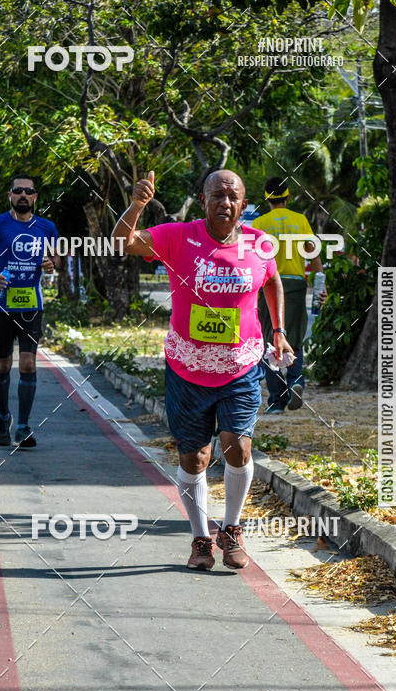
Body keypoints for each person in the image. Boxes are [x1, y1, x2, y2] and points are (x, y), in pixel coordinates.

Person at [112, 169, 294, 571]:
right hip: (187, 368)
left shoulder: (259, 243)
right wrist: (138, 204)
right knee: (194, 458)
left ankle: (231, 529)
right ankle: (200, 538)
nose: (225, 203)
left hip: (240, 366)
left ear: (243, 204)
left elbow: (272, 280)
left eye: (233, 197)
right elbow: (122, 242)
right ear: (203, 201)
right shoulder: (177, 236)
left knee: (237, 447)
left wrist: (279, 331)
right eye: (217, 195)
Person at [0, 174, 57, 449]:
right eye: (18, 190)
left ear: (35, 197)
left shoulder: (47, 227)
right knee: (3, 363)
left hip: (32, 305)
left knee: (28, 363)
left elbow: (54, 258)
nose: (23, 195)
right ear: (10, 195)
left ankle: (23, 426)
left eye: (28, 191)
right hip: (1, 306)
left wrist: (51, 264)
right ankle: (3, 416)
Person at [253, 177, 325, 413]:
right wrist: (321, 284)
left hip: (268, 285)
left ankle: (276, 401)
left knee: (270, 339)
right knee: (294, 336)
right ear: (288, 196)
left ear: (267, 198)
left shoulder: (260, 223)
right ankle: (296, 381)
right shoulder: (300, 220)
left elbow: (252, 259)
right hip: (295, 284)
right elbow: (313, 253)